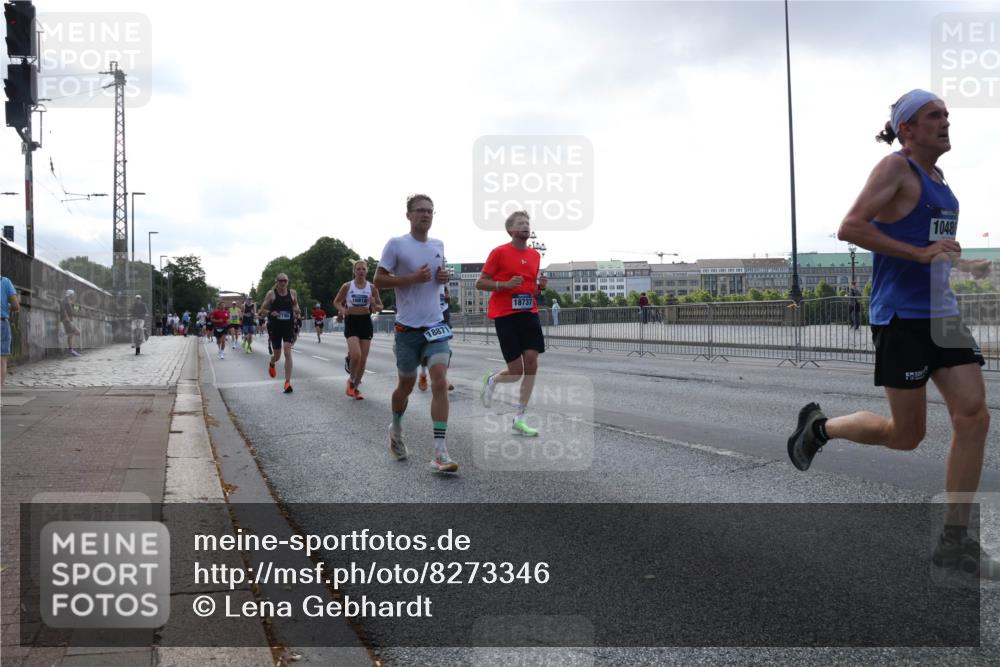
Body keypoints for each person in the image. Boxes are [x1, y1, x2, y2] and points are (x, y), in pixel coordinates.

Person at [786, 89, 995, 577]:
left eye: (947, 114)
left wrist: (963, 261)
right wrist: (923, 255)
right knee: (907, 435)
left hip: (941, 315)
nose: (946, 122)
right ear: (907, 129)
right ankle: (821, 427)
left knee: (975, 417)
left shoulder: (940, 180)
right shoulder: (894, 169)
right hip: (900, 316)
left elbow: (926, 245)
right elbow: (851, 227)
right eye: (933, 116)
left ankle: (955, 541)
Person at [374, 194, 457, 472]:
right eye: (420, 210)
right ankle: (396, 428)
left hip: (435, 326)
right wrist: (410, 279)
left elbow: (437, 278)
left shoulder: (438, 245)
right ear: (408, 215)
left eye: (430, 211)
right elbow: (379, 280)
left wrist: (443, 279)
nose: (426, 215)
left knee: (440, 381)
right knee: (406, 386)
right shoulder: (396, 244)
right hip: (407, 329)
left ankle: (440, 451)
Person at [476, 210, 548, 437]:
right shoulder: (499, 253)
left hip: (529, 312)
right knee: (516, 371)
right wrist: (504, 285)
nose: (526, 226)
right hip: (505, 315)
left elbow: (529, 287)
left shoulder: (535, 255)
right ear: (510, 230)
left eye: (528, 222)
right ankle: (493, 380)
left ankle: (520, 417)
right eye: (521, 223)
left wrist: (540, 287)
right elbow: (480, 283)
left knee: (532, 362)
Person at [334, 260, 383, 399]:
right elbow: (336, 302)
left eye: (363, 269)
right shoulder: (347, 286)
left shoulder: (372, 288)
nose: (361, 271)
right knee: (357, 355)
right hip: (352, 321)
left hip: (365, 322)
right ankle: (350, 380)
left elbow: (380, 306)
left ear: (367, 271)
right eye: (358, 269)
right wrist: (343, 310)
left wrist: (375, 304)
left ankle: (355, 387)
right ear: (354, 271)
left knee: (363, 358)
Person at [259, 273, 301, 393]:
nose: (283, 283)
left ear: (287, 282)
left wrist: (297, 310)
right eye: (281, 281)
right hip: (275, 327)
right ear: (276, 281)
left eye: (285, 281)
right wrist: (270, 313)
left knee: (287, 352)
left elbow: (296, 305)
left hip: (288, 326)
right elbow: (262, 310)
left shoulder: (292, 293)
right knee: (277, 356)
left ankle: (287, 382)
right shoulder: (271, 294)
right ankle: (272, 362)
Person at [418, 284, 454, 392]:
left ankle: (444, 379)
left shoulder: (443, 286)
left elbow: (447, 303)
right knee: (425, 352)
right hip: (427, 321)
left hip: (442, 322)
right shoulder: (424, 284)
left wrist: (448, 299)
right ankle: (423, 375)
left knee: (445, 352)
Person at [1, 275, 20, 384]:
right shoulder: (5, 282)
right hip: (2, 322)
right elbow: (16, 306)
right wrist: (7, 306)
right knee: (2, 360)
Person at [60, 289, 82, 357]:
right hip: (66, 320)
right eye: (73, 294)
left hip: (69, 320)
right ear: (70, 294)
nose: (74, 296)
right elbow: (63, 310)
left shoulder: (69, 301)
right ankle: (71, 350)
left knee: (72, 334)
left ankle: (71, 350)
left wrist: (79, 308)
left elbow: (75, 307)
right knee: (74, 333)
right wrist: (67, 318)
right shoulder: (64, 301)